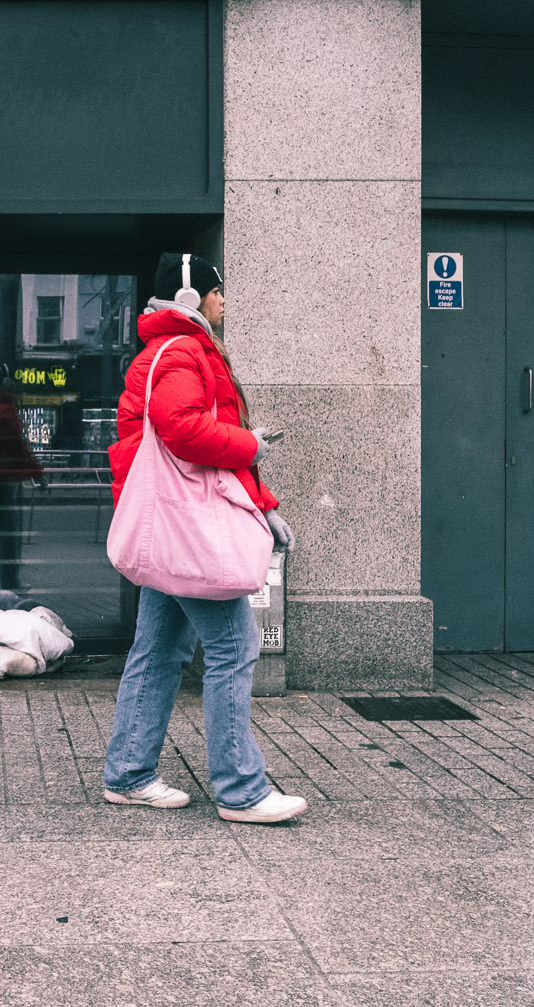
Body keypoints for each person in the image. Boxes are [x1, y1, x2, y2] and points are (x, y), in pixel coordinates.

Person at [102, 253, 305, 824]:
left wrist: (261, 507)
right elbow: (185, 431)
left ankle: (129, 773)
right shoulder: (183, 352)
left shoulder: (171, 351)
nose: (224, 301)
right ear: (191, 296)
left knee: (160, 649)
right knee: (235, 646)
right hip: (187, 533)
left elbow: (198, 460)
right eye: (217, 291)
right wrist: (251, 446)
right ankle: (243, 791)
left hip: (173, 531)